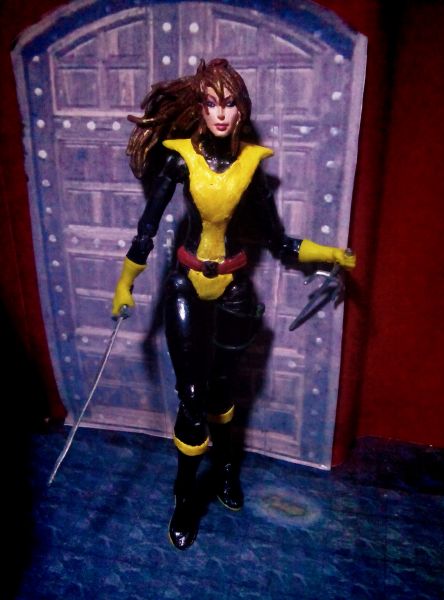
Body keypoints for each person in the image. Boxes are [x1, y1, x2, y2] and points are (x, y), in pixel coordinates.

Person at [112, 58, 355, 550]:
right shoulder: (181, 160)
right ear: (201, 110)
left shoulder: (250, 167)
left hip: (235, 287)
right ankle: (185, 499)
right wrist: (125, 284)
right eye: (211, 103)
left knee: (222, 390)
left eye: (229, 103)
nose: (220, 113)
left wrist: (330, 253)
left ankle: (225, 471)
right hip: (187, 282)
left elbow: (279, 241)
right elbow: (146, 229)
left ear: (241, 109)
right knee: (192, 394)